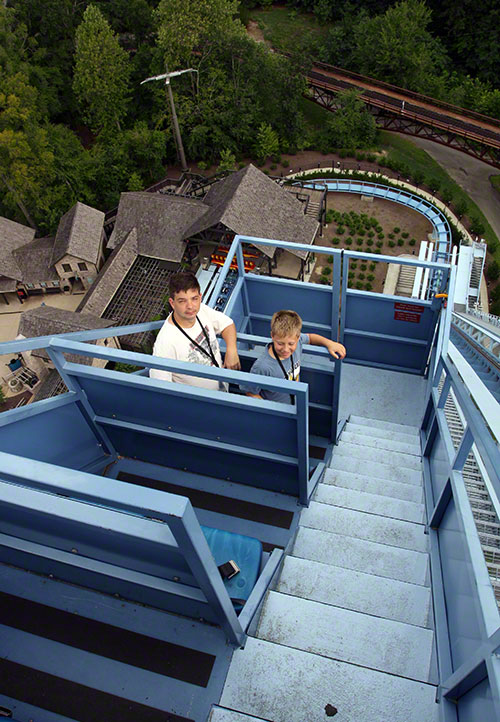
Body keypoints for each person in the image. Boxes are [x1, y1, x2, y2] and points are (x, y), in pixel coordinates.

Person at [150, 272, 240, 391]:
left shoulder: (201, 310)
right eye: (182, 301)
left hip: (222, 388)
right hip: (200, 404)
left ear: (200, 297)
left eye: (194, 299)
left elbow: (227, 324)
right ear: (172, 303)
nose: (190, 306)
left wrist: (232, 350)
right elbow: (160, 387)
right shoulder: (166, 342)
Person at [239, 310, 346, 404]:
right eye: (280, 343)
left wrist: (329, 343)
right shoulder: (262, 367)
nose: (286, 349)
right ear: (272, 336)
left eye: (291, 344)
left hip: (295, 402)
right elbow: (250, 392)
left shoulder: (298, 341)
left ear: (297, 337)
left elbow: (310, 337)